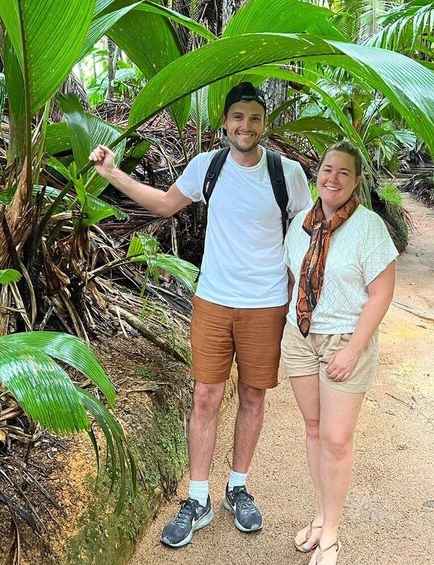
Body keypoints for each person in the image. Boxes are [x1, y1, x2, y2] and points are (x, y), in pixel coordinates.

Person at [89, 82, 312, 548]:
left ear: (263, 123)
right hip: (213, 300)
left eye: (254, 117)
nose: (245, 126)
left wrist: (300, 299)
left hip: (266, 303)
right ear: (224, 123)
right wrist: (112, 174)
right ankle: (197, 498)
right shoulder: (207, 167)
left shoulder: (287, 174)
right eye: (237, 117)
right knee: (206, 396)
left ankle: (237, 486)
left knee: (253, 395)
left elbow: (308, 234)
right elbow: (165, 204)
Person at [281, 140, 397, 565]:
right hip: (300, 338)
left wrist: (353, 349)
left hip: (344, 340)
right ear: (318, 173)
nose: (333, 178)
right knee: (313, 429)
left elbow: (381, 294)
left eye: (343, 173)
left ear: (356, 182)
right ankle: (321, 513)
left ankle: (331, 532)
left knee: (336, 437)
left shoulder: (369, 228)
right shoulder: (300, 223)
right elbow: (293, 279)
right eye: (328, 169)